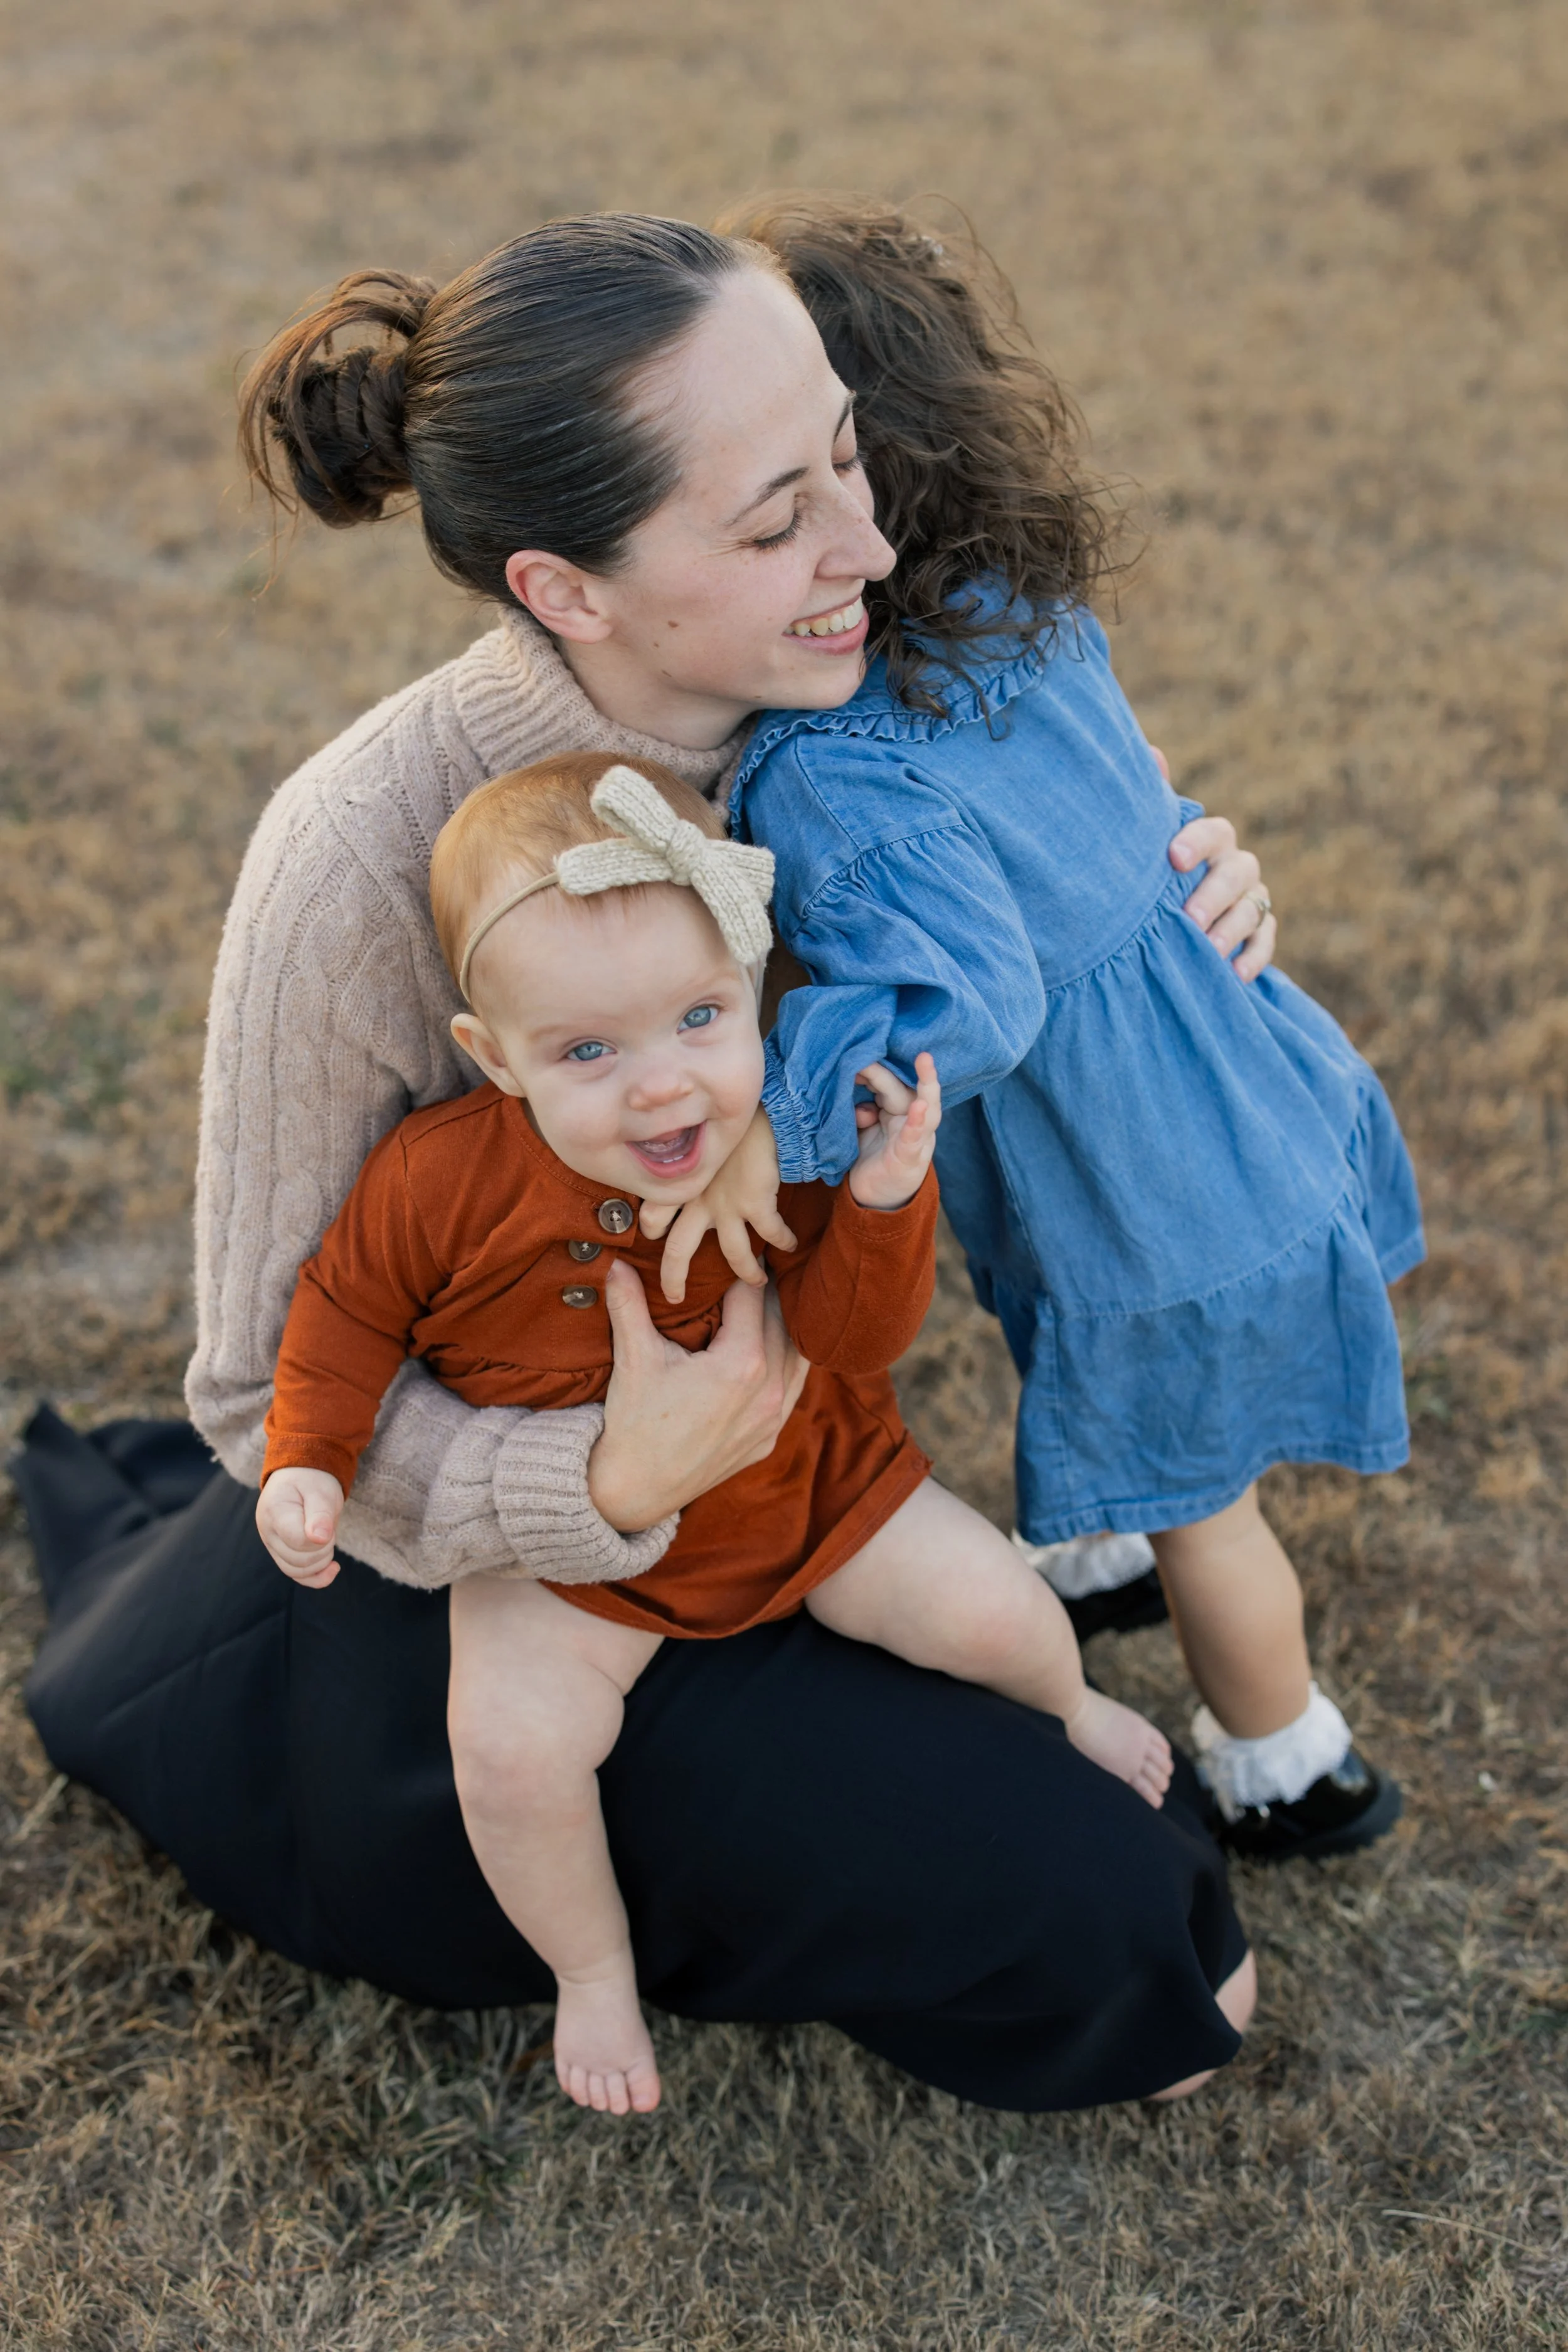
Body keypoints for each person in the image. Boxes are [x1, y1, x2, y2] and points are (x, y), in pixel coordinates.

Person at [19, 209, 1285, 2113]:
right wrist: (594, 1474)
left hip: (802, 1467)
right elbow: (246, 1380)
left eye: (846, 456)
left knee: (1180, 1946)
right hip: (488, 1560)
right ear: (568, 586)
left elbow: (1039, 924)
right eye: (773, 518)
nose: (863, 544)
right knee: (1117, 1946)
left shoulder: (884, 695)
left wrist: (1175, 883)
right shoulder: (360, 853)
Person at [652, 194, 1422, 1862]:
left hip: (1135, 1180)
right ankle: (1101, 1552)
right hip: (1242, 1078)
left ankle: (1289, 1757)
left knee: (1211, 1507)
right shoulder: (1014, 604)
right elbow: (1120, 812)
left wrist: (777, 1102)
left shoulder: (828, 761)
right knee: (1078, 1361)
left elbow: (969, 1001)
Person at [257, 753, 1172, 2114]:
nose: (662, 1090)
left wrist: (876, 1201)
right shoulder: (435, 1181)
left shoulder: (787, 1141)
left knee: (988, 1607)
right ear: (491, 1058)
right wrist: (306, 1461)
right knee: (509, 1754)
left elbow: (858, 1343)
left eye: (698, 1018)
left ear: (754, 989)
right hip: (574, 1556)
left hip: (812, 1481)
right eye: (586, 1052)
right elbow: (342, 1311)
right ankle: (591, 1969)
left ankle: (1068, 1705)